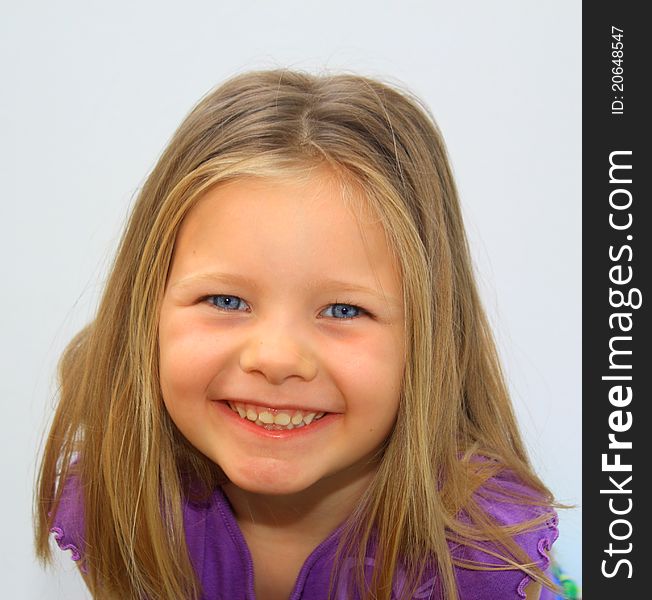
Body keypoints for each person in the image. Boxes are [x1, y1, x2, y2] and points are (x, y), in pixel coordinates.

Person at [34, 68, 562, 600]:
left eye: (342, 309)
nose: (277, 357)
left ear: (431, 341)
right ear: (143, 311)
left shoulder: (484, 562)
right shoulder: (115, 501)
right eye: (225, 300)